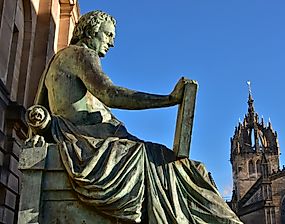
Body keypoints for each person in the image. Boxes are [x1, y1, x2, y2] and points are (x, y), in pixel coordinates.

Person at [29, 10, 242, 224]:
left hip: (92, 140)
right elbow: (110, 94)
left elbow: (40, 105)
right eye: (108, 35)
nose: (111, 43)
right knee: (185, 171)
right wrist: (169, 99)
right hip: (90, 145)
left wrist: (38, 132)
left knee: (189, 170)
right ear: (91, 31)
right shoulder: (81, 54)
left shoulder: (58, 59)